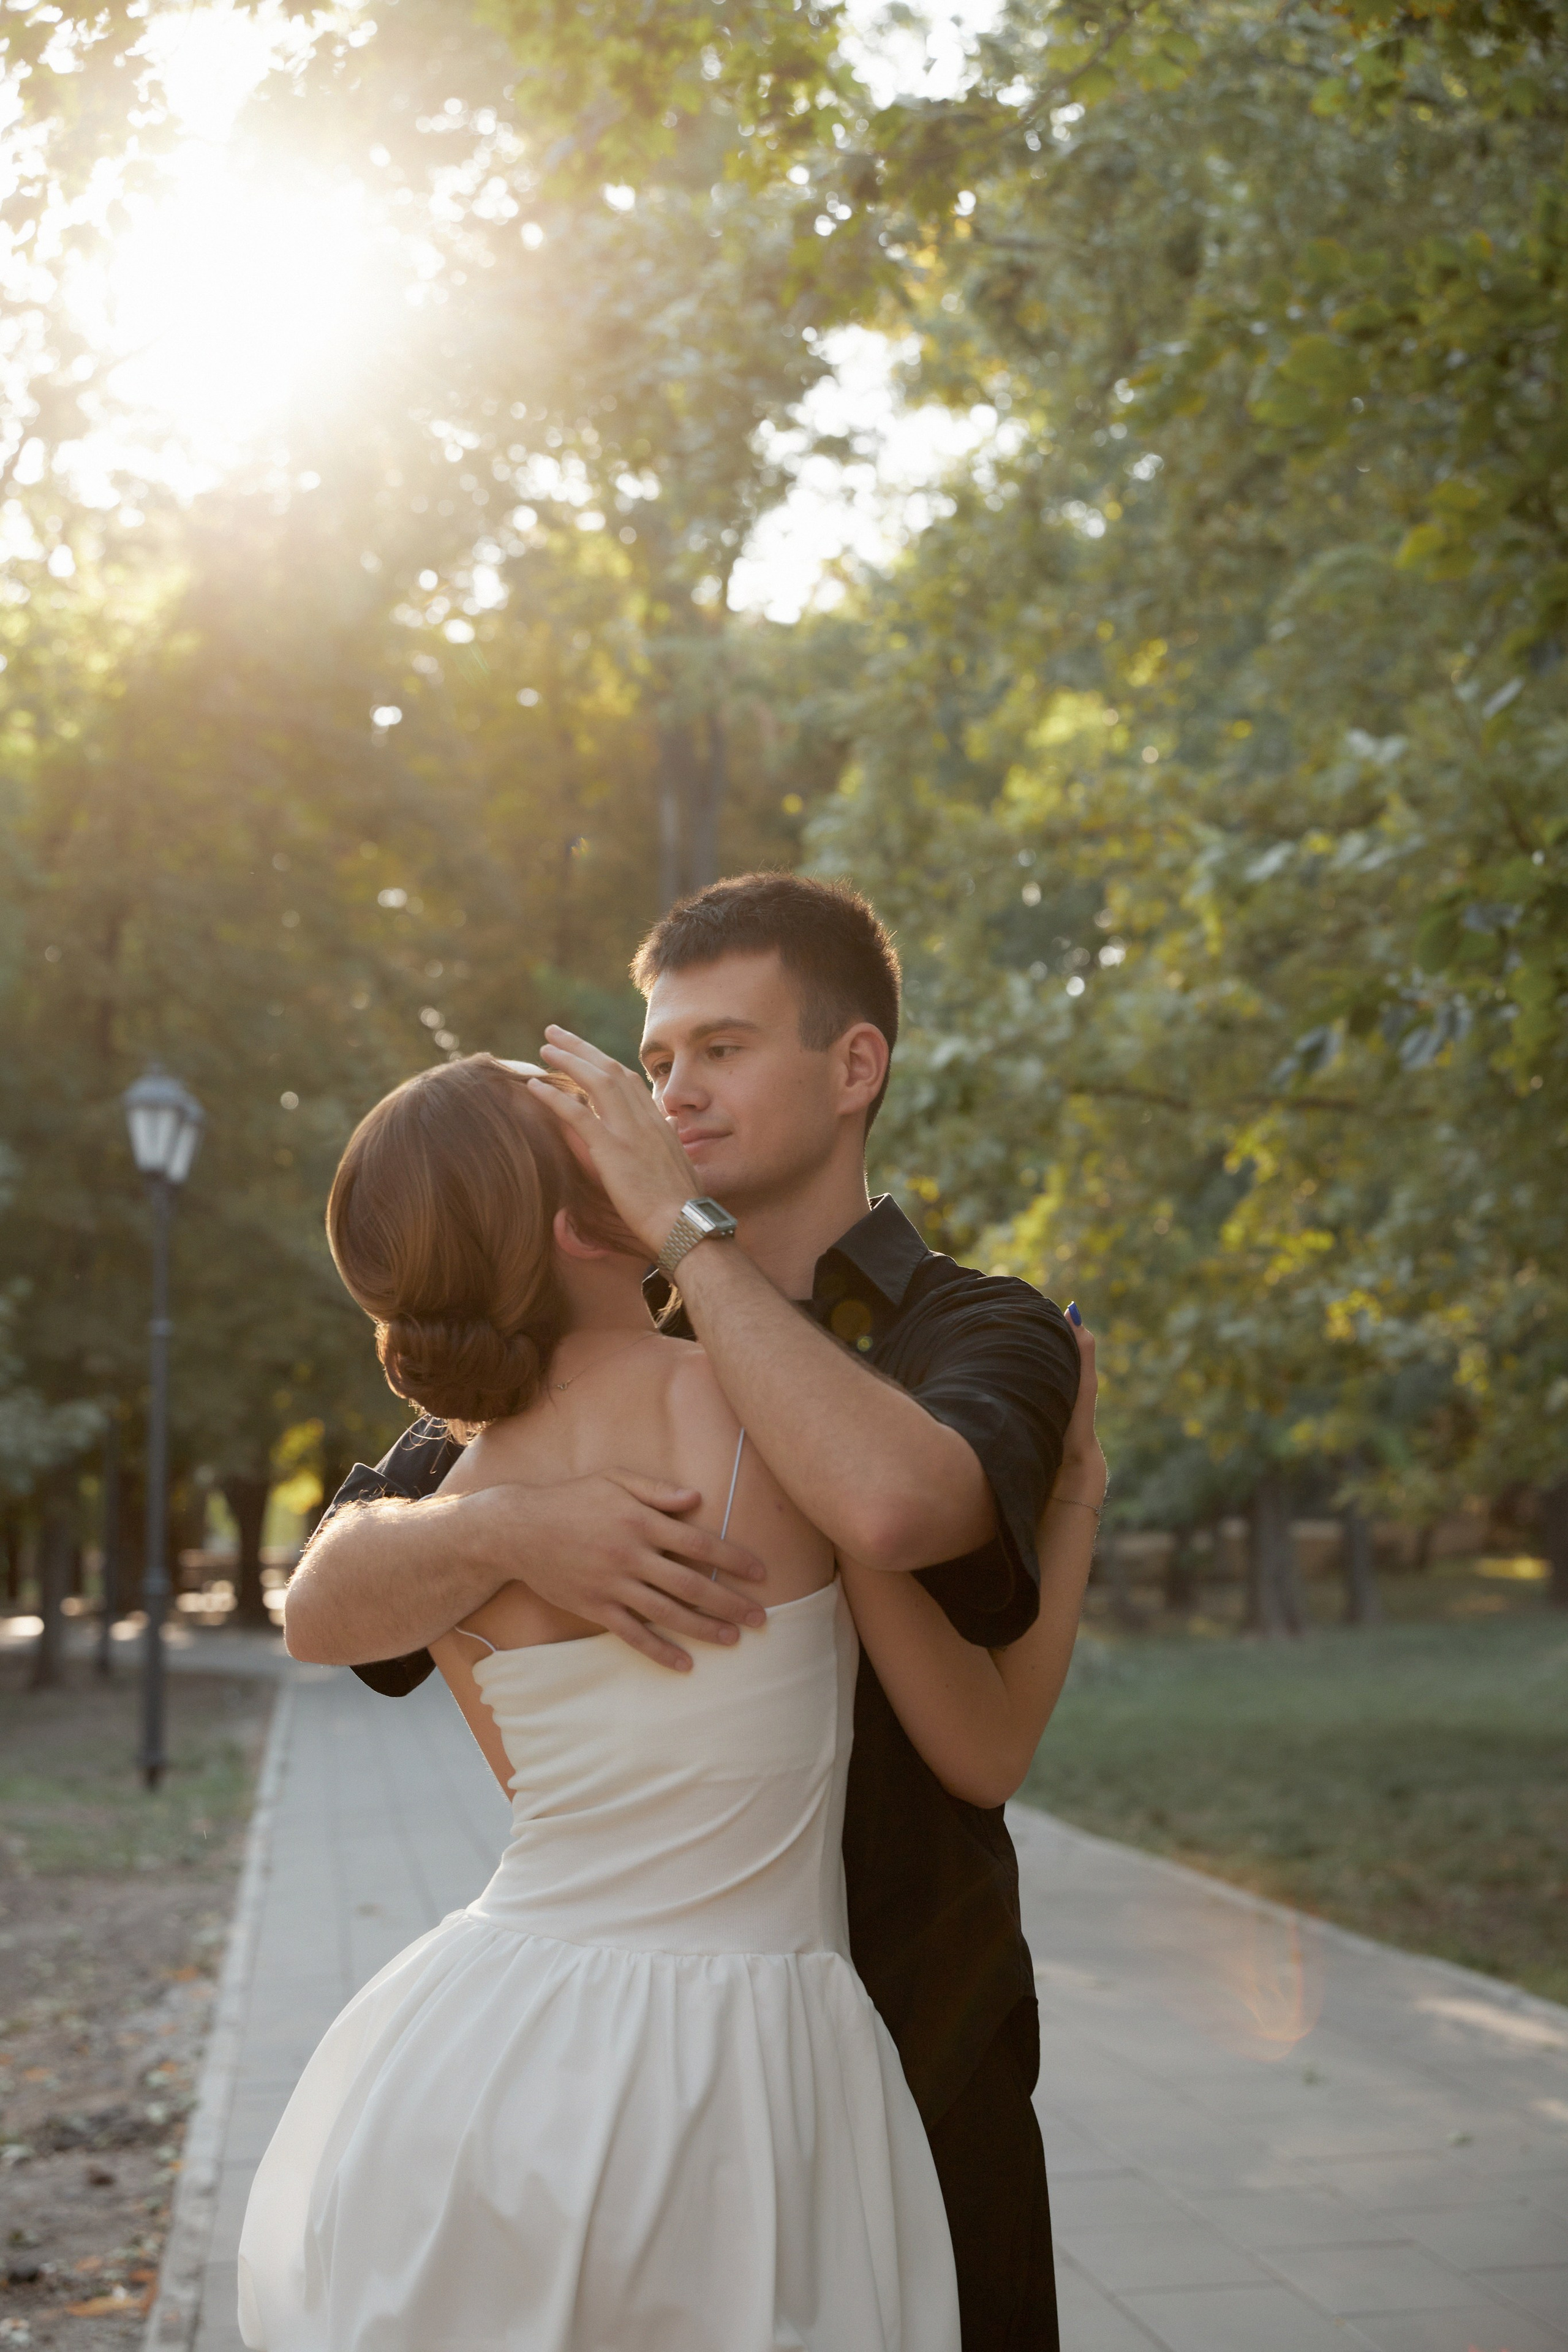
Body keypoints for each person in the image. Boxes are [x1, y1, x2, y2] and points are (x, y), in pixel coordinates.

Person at [285, 873, 1096, 2348]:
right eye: (654, 1061)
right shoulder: (576, 1359)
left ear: (855, 1068)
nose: (671, 1094)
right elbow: (329, 1586)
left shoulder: (983, 1329)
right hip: (615, 2065)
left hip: (925, 2054)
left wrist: (678, 1230)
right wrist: (527, 1525)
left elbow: (892, 1506)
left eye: (719, 1050)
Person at [237, 1055, 963, 2350]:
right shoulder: (766, 1419)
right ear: (592, 1220)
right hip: (743, 2064)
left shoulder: (448, 1512)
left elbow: (351, 1620)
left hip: (480, 2054)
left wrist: (504, 1525)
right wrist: (694, 1236)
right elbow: (905, 1499)